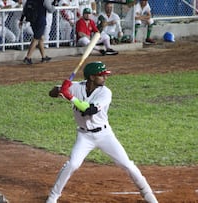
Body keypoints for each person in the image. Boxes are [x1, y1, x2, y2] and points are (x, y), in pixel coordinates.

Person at [46, 61, 159, 203]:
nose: (105, 78)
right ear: (92, 77)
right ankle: (53, 196)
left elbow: (89, 110)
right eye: (102, 75)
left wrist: (70, 97)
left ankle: (148, 194)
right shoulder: (76, 87)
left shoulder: (105, 92)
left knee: (127, 165)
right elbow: (51, 93)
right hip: (84, 136)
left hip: (104, 135)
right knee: (72, 164)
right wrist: (60, 90)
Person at [21, 0, 55, 65]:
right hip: (40, 20)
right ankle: (28, 57)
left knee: (40, 38)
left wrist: (21, 19)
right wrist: (54, 5)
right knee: (36, 38)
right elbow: (51, 10)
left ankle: (44, 57)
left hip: (32, 20)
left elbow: (25, 9)